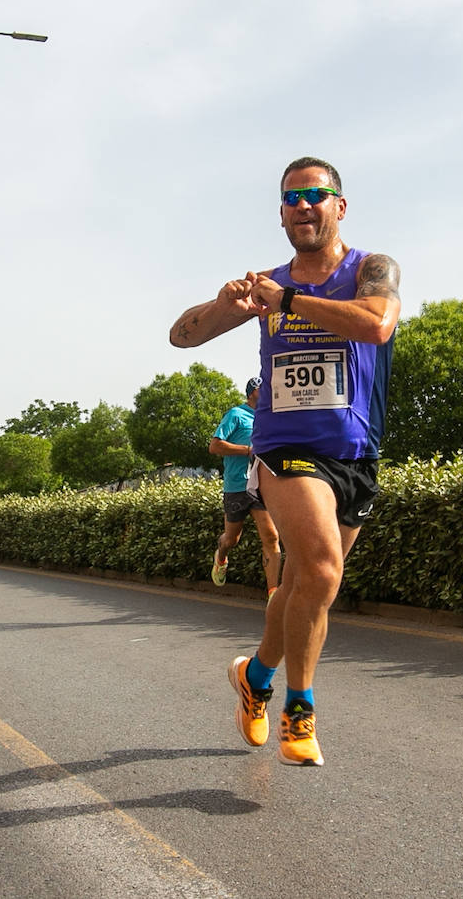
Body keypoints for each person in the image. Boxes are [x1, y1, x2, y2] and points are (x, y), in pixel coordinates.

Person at [170, 156, 401, 767]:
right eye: (292, 198)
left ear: (339, 206)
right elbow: (181, 336)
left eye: (316, 196)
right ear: (280, 214)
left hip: (355, 452)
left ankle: (255, 677)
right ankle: (300, 712)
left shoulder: (370, 269)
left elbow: (377, 325)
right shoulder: (266, 284)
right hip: (285, 451)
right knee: (322, 571)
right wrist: (226, 307)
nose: (304, 206)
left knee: (302, 586)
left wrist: (291, 301)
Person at [209, 377, 282, 597]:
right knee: (232, 539)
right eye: (262, 388)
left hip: (261, 484)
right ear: (251, 392)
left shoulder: (270, 417)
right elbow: (215, 446)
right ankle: (221, 557)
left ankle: (273, 594)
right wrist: (247, 450)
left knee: (271, 537)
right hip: (237, 485)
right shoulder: (236, 415)